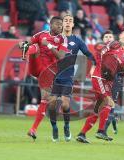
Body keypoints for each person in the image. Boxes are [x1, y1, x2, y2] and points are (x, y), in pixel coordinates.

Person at [76, 27, 124, 143]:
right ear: (120, 35)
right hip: (99, 77)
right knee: (109, 103)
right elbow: (99, 52)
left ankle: (82, 134)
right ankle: (101, 131)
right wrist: (103, 67)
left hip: (106, 81)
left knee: (98, 109)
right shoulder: (114, 43)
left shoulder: (123, 55)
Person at [45, 14, 96, 142]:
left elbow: (88, 54)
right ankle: (54, 127)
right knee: (51, 104)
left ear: (73, 25)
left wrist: (96, 63)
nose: (67, 23)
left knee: (65, 104)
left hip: (68, 77)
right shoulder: (55, 39)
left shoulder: (77, 40)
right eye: (65, 21)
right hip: (55, 76)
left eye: (70, 21)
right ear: (62, 24)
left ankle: (66, 126)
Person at [19, 16, 67, 141]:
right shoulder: (40, 35)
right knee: (35, 47)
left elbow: (61, 57)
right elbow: (29, 42)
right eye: (57, 24)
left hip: (48, 72)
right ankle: (25, 52)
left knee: (45, 98)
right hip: (36, 66)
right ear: (50, 25)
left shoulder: (63, 40)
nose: (60, 27)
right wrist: (23, 45)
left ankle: (33, 129)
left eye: (61, 25)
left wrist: (50, 46)